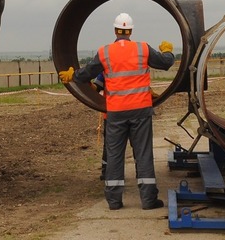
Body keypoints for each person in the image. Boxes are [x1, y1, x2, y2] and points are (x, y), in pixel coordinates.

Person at [60, 12, 175, 210]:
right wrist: (167, 52)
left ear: (115, 30)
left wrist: (73, 75)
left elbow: (87, 73)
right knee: (143, 154)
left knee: (114, 155)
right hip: (140, 110)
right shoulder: (143, 49)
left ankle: (114, 201)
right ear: (130, 31)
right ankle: (148, 200)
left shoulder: (105, 52)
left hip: (116, 112)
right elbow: (165, 64)